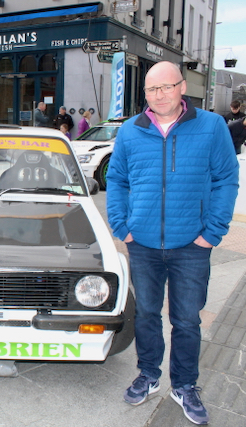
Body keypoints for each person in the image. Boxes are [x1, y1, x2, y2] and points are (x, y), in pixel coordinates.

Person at [106, 61, 238, 426]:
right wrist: (121, 225)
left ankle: (184, 385)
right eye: (151, 89)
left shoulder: (211, 126)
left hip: (191, 246)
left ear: (182, 87)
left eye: (166, 87)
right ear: (144, 94)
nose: (159, 94)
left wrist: (211, 233)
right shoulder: (132, 130)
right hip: (143, 244)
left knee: (186, 320)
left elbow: (226, 179)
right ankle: (148, 374)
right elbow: (116, 180)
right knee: (147, 314)